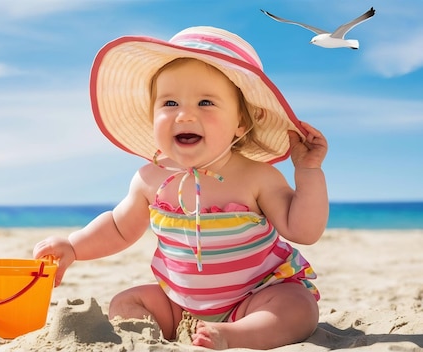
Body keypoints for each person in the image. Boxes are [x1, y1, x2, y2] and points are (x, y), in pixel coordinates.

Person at [33, 26, 328, 350]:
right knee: (126, 303)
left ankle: (235, 335)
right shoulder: (150, 179)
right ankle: (182, 336)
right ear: (153, 115)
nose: (185, 114)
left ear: (241, 122)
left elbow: (303, 230)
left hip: (257, 294)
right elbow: (118, 229)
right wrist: (73, 248)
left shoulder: (257, 177)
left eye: (205, 102)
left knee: (297, 308)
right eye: (170, 103)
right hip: (181, 305)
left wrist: (308, 171)